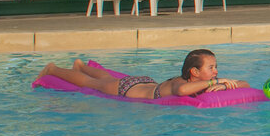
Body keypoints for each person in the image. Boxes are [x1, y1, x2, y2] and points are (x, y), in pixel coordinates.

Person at [37, 49, 248, 100]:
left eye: (215, 67)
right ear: (194, 72)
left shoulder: (201, 82)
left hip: (146, 82)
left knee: (105, 77)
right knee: (91, 83)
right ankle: (52, 69)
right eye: (211, 68)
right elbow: (183, 91)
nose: (216, 71)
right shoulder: (180, 83)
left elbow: (245, 84)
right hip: (130, 89)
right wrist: (216, 81)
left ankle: (80, 64)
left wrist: (227, 84)